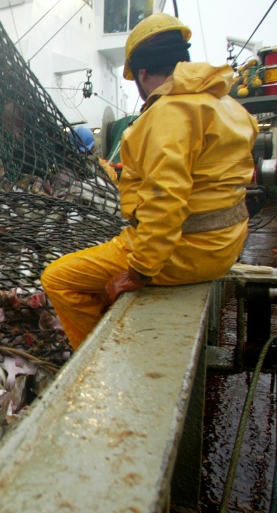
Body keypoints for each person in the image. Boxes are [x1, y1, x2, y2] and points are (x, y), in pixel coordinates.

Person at [41, 13, 258, 349]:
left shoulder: (167, 113)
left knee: (57, 278)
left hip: (185, 254)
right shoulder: (227, 105)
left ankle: (97, 358)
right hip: (226, 245)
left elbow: (165, 200)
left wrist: (139, 271)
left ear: (141, 74)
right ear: (181, 60)